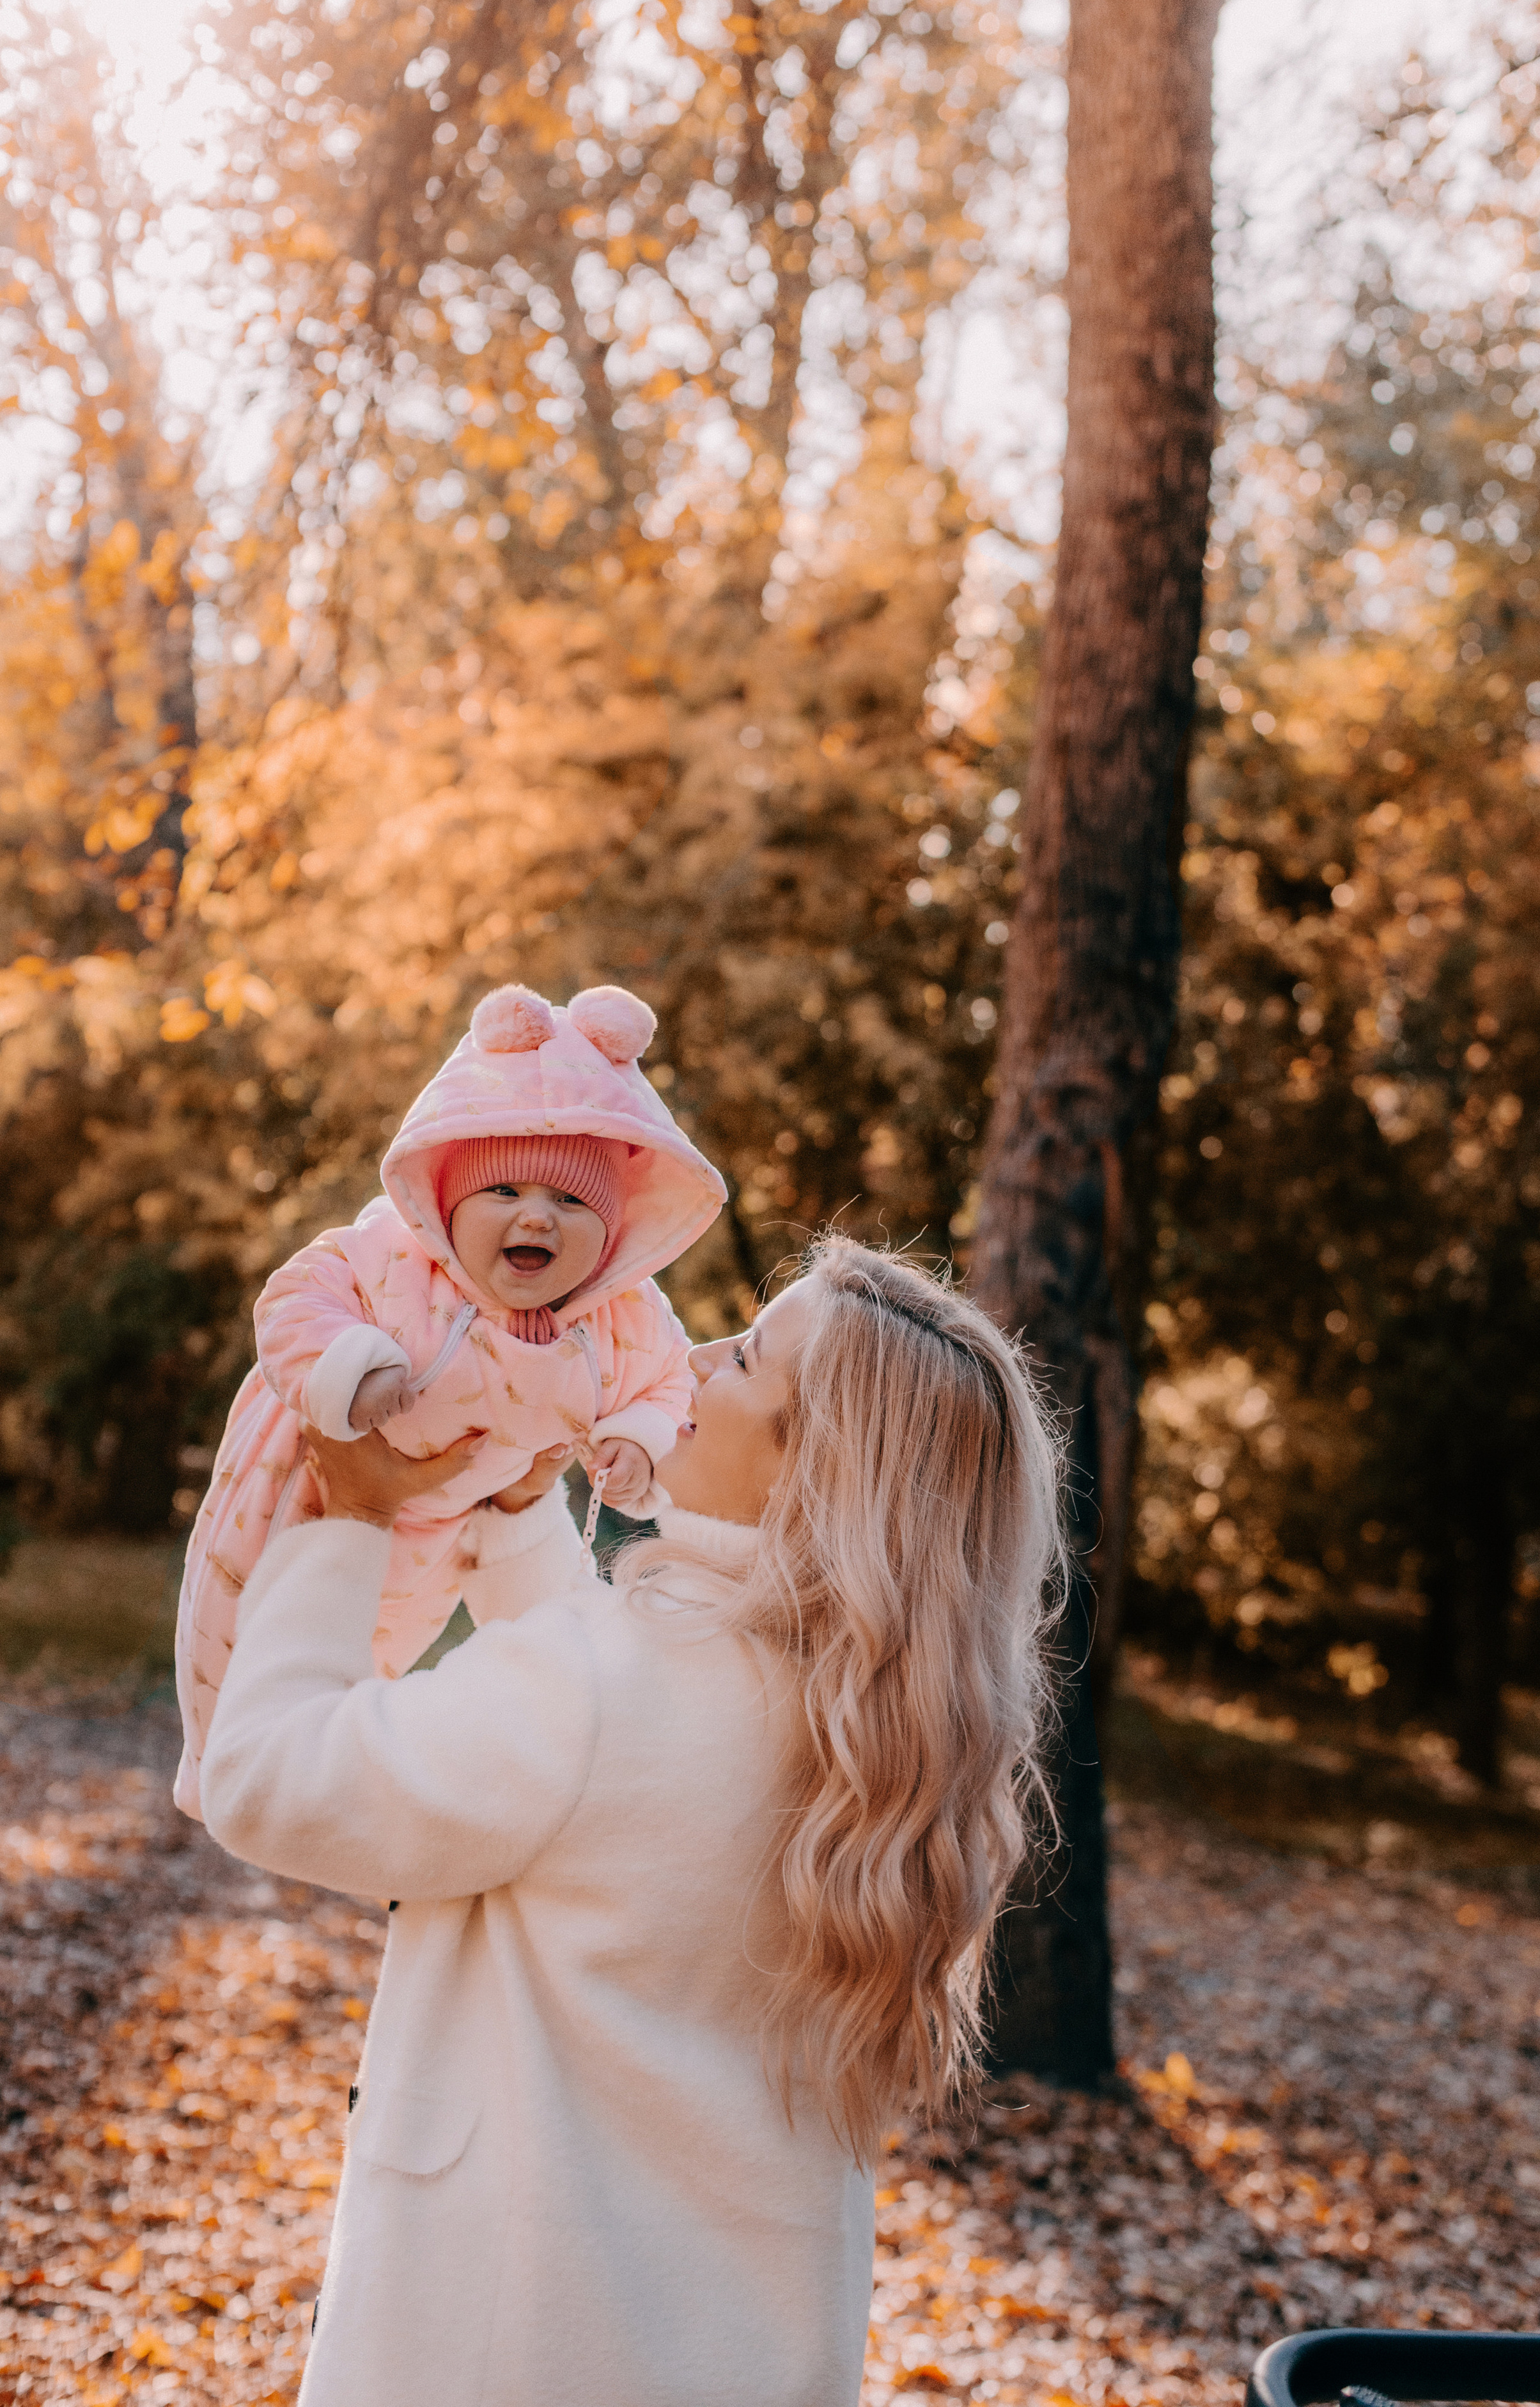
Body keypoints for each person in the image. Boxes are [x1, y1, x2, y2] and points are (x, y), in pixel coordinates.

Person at [199, 1236, 1066, 2407]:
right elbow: (601, 1785)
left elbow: (267, 1777)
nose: (696, 1358)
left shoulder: (606, 1686)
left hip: (506, 2351)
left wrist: (345, 1522)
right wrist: (519, 1513)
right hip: (740, 2357)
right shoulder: (881, 1746)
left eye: (746, 1359)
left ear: (809, 1469)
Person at [171, 980, 724, 1818]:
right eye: (503, 1192)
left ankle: (305, 1794)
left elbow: (671, 1380)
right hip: (301, 1489)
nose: (536, 1217)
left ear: (613, 1232)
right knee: (241, 1633)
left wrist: (638, 1440)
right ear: (449, 1206)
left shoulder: (622, 1317)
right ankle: (217, 1770)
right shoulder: (396, 1260)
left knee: (368, 1665)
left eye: (572, 1200)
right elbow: (295, 1297)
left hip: (438, 1540)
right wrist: (349, 1367)